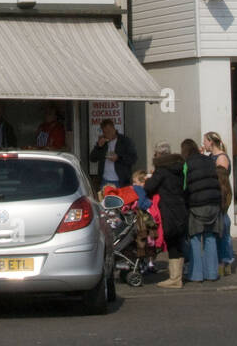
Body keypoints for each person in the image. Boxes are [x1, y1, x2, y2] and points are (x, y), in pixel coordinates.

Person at [144, 142, 187, 288]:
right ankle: (177, 276)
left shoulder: (161, 170)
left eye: (155, 154)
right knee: (178, 241)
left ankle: (175, 279)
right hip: (180, 207)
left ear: (159, 155)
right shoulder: (178, 167)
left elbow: (149, 187)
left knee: (172, 241)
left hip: (168, 209)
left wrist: (149, 179)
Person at [180, 140, 223, 282]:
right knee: (210, 237)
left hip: (197, 204)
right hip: (214, 203)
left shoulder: (187, 164)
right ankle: (212, 273)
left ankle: (196, 274)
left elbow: (184, 185)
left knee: (195, 238)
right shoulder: (209, 160)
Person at [202, 132, 235, 276]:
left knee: (223, 230)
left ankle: (225, 262)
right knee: (217, 230)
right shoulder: (211, 157)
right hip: (214, 195)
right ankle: (219, 262)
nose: (203, 144)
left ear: (211, 142)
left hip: (221, 196)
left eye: (205, 142)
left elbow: (221, 181)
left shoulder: (221, 158)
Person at [89, 119, 137, 190]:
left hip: (121, 181)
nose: (108, 134)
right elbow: (92, 158)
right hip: (105, 181)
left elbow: (133, 158)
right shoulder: (103, 142)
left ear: (114, 129)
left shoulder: (124, 141)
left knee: (121, 201)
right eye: (105, 132)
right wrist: (98, 146)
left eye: (109, 131)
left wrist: (118, 158)